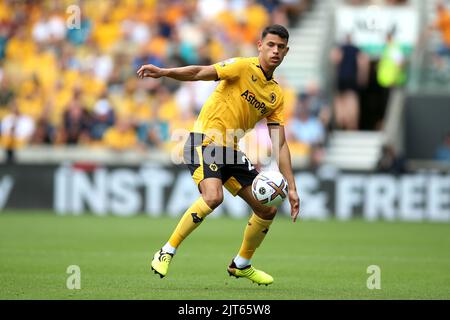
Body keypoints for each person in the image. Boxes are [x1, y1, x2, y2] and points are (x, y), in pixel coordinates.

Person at [137, 24, 300, 286]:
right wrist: (165, 72)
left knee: (267, 209)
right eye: (270, 45)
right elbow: (201, 72)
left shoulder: (275, 96)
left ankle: (241, 264)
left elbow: (279, 143)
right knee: (213, 197)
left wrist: (291, 187)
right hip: (203, 141)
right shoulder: (242, 67)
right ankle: (166, 250)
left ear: (286, 51)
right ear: (260, 45)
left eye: (281, 47)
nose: (275, 51)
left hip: (231, 151)